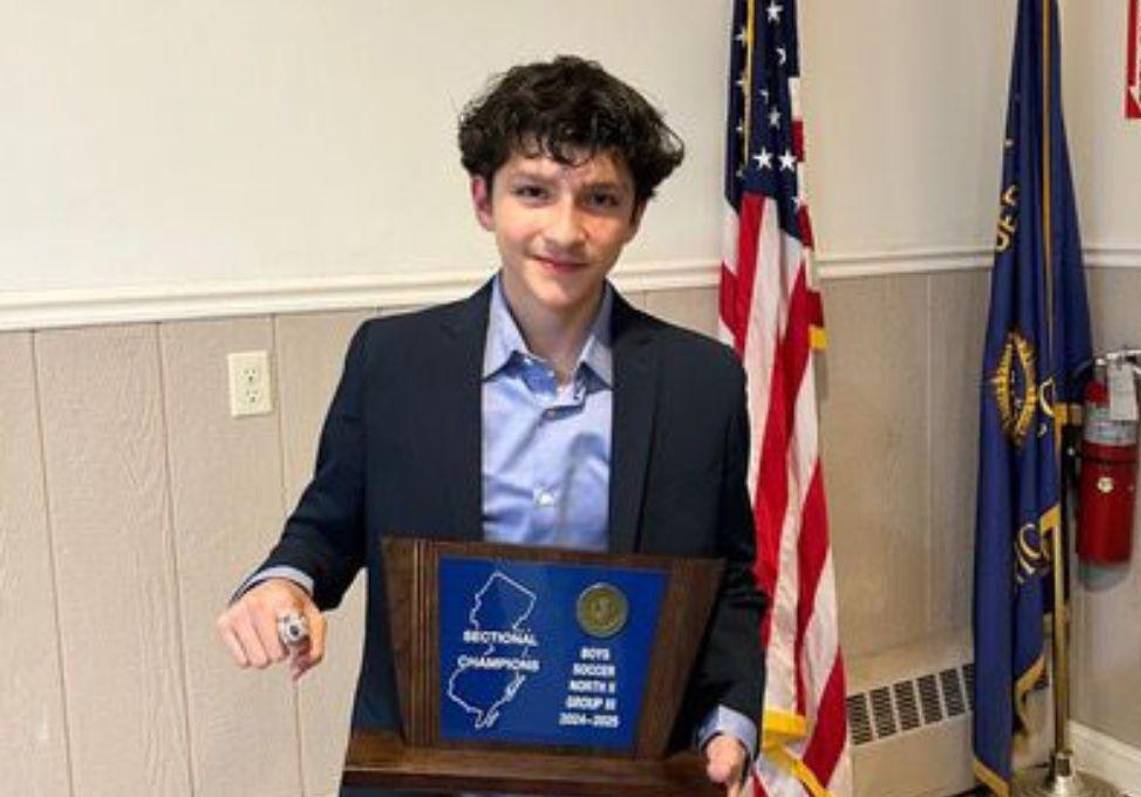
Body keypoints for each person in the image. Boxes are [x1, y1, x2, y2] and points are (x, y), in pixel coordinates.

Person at [216, 55, 765, 797]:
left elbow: (729, 579)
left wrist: (730, 718)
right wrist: (283, 584)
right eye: (533, 191)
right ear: (484, 198)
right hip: (430, 775)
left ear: (635, 216)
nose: (565, 231)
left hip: (623, 774)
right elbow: (326, 528)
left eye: (600, 199)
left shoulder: (703, 383)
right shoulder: (392, 361)